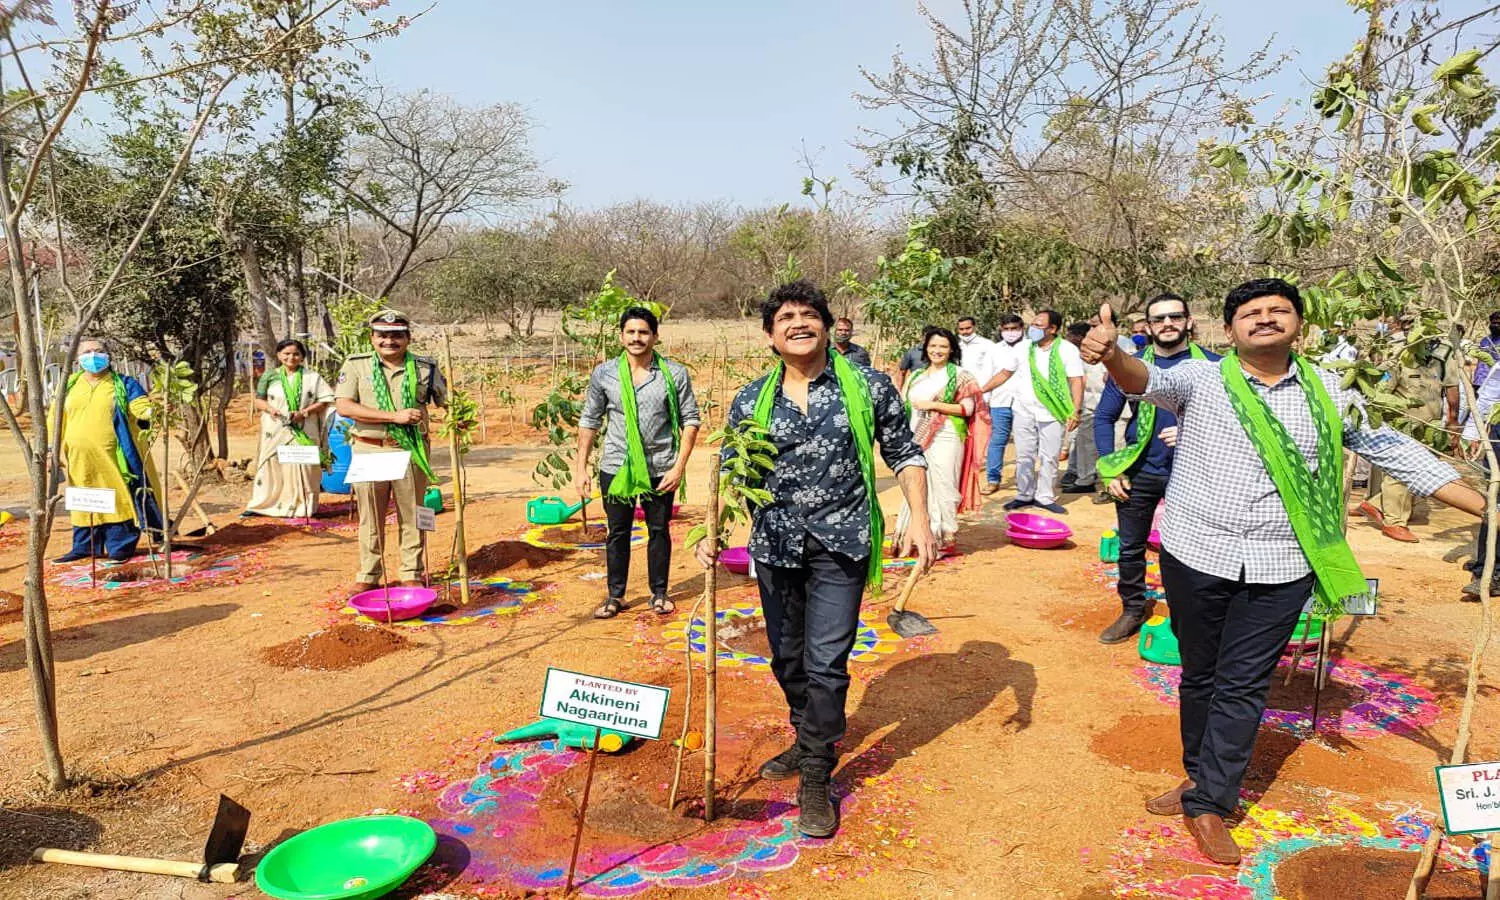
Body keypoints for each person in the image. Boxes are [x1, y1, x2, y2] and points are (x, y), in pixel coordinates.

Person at [1079, 277, 1485, 867]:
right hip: (1196, 553)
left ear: (1301, 323)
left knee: (1243, 684)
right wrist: (1114, 353)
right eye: (1251, 312)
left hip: (1282, 563)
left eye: (1279, 310)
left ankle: (1212, 801)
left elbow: (1394, 451)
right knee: (1198, 674)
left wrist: (1485, 505)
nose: (1265, 319)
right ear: (1228, 328)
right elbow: (1145, 381)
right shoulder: (1201, 377)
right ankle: (1199, 782)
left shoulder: (1332, 391)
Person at [696, 280, 934, 839]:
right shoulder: (751, 399)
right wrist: (713, 531)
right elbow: (736, 475)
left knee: (826, 663)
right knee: (787, 659)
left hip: (842, 543)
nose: (798, 323)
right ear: (769, 335)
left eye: (809, 314)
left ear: (826, 326)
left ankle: (816, 773)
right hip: (775, 546)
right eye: (785, 317)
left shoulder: (869, 386)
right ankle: (810, 738)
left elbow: (904, 451)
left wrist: (918, 516)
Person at [1092, 294, 1220, 644]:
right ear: (1148, 327)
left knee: (1189, 549)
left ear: (1189, 322)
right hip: (1140, 471)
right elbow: (1104, 417)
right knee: (1130, 547)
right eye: (1159, 319)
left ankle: (1187, 617)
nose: (1167, 324)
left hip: (1194, 473)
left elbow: (1234, 422)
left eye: (1175, 317)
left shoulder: (1216, 367)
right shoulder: (1130, 368)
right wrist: (1109, 468)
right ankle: (1133, 609)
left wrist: (1193, 430)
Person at [575, 307, 701, 618]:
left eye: (643, 332)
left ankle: (659, 592)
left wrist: (678, 466)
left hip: (661, 466)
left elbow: (691, 420)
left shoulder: (674, 374)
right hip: (616, 466)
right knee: (617, 531)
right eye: (631, 332)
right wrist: (580, 467)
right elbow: (589, 420)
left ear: (655, 337)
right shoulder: (604, 374)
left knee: (659, 529)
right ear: (621, 336)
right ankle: (615, 596)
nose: (637, 338)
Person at [334, 310, 448, 591]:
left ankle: (412, 572)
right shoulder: (356, 365)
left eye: (397, 335)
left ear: (408, 338)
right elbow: (344, 406)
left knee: (414, 514)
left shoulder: (426, 367)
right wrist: (393, 416)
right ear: (372, 338)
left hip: (411, 452)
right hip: (370, 450)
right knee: (371, 517)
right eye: (382, 335)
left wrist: (459, 415)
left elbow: (447, 401)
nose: (389, 341)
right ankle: (368, 576)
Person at [55, 338, 163, 562]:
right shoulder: (68, 386)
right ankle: (85, 547)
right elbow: (54, 420)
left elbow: (140, 406)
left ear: (108, 355)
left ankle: (120, 546)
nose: (93, 356)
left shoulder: (124, 384)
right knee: (83, 499)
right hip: (78, 457)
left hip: (114, 457)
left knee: (117, 497)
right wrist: (50, 450)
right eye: (87, 352)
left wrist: (154, 411)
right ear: (77, 359)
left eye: (99, 351)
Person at [1355, 335, 1460, 543]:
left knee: (1424, 469)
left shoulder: (1444, 352)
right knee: (1401, 470)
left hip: (1430, 423)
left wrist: (1452, 420)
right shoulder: (1400, 353)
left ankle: (1375, 504)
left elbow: (1452, 386)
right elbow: (1382, 391)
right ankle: (1394, 522)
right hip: (1403, 423)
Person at [896, 326, 991, 550]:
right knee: (916, 484)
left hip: (946, 435)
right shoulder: (917, 375)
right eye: (933, 346)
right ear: (926, 348)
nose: (937, 350)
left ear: (951, 350)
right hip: (916, 436)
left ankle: (943, 536)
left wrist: (934, 405)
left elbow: (968, 409)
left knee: (944, 484)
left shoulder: (960, 375)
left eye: (943, 346)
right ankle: (914, 535)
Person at [981, 310, 1085, 514]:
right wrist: (981, 390)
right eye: (1033, 324)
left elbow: (1076, 380)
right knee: (1024, 455)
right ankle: (1024, 494)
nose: (1033, 328)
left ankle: (1045, 497)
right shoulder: (1023, 347)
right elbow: (1005, 373)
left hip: (1053, 411)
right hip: (1023, 410)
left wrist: (1075, 410)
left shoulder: (1066, 349)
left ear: (1052, 329)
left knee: (1050, 456)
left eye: (1039, 325)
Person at [244, 339, 335, 519]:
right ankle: (265, 504)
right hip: (276, 427)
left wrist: (305, 412)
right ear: (279, 355)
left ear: (302, 357)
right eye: (286, 353)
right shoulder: (269, 376)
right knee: (273, 463)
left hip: (304, 427)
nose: (291, 357)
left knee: (305, 466)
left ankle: (303, 507)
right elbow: (259, 400)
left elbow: (326, 399)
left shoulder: (313, 377)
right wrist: (272, 410)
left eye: (296, 354)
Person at [1061, 321, 1106, 497]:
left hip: (1108, 404)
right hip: (1086, 404)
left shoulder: (1110, 349)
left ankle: (1108, 482)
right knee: (1083, 443)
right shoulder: (1077, 354)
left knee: (1112, 445)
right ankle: (1085, 478)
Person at [983, 314, 1026, 493]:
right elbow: (987, 374)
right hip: (1000, 402)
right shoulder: (994, 350)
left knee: (1025, 443)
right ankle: (993, 479)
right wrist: (985, 401)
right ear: (1000, 329)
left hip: (1025, 403)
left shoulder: (1031, 347)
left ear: (1022, 328)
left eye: (1014, 328)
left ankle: (1023, 479)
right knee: (997, 441)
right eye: (1006, 329)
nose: (1010, 333)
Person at [1475, 309, 1500, 388]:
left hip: (1494, 384)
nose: (1496, 325)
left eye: (1499, 323)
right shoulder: (1485, 340)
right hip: (1479, 381)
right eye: (1494, 323)